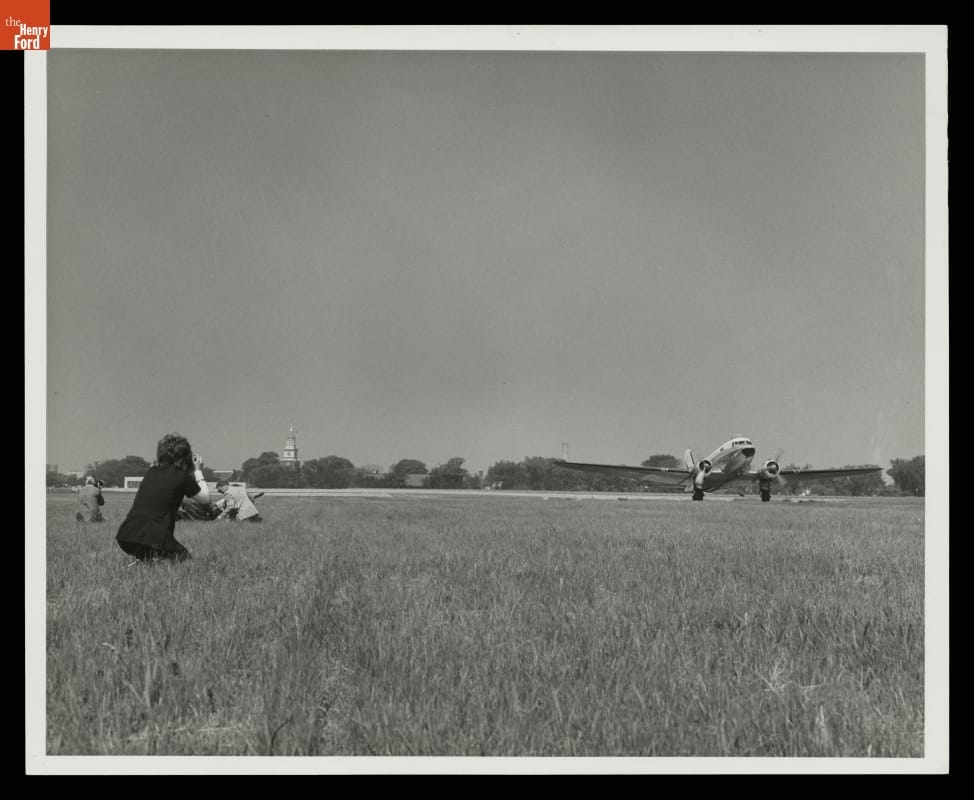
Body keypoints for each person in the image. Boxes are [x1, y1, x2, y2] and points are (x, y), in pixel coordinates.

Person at [115, 433, 209, 562]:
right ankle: (151, 559)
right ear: (185, 456)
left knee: (151, 558)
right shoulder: (181, 476)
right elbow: (205, 499)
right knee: (185, 560)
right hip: (155, 537)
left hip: (126, 535)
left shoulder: (151, 472)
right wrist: (198, 470)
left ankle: (146, 560)